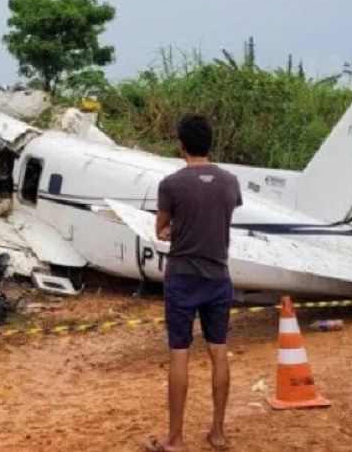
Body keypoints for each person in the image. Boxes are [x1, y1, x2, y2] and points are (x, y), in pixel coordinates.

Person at [146, 114, 242, 452]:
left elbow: (161, 229)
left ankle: (175, 439)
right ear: (209, 143)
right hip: (218, 276)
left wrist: (177, 231)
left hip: (183, 277)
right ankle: (218, 433)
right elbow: (220, 220)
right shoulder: (230, 182)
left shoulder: (171, 185)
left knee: (180, 354)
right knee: (218, 351)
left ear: (181, 145)